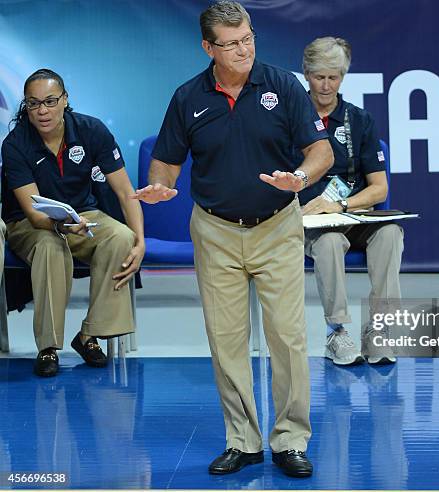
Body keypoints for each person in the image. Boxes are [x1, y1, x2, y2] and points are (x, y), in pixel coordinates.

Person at [131, 1, 333, 478]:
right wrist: (161, 185)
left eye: (248, 39)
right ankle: (242, 440)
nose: (243, 50)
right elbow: (166, 160)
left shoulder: (283, 86)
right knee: (226, 341)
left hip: (277, 226)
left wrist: (300, 178)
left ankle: (290, 441)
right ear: (208, 47)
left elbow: (320, 151)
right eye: (231, 43)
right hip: (216, 231)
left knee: (288, 337)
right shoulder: (188, 97)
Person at [1, 69, 145, 378]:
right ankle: (48, 348)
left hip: (83, 216)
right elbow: (35, 213)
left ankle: (89, 335)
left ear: (65, 100)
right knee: (52, 246)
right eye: (33, 103)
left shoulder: (92, 131)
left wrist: (140, 240)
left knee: (120, 237)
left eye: (50, 101)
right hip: (29, 225)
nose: (42, 111)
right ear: (26, 106)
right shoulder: (15, 144)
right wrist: (63, 226)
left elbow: (124, 191)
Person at [298, 37, 404, 366]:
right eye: (319, 77)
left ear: (343, 77)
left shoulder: (360, 120)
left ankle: (379, 331)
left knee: (390, 234)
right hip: (309, 222)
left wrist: (342, 206)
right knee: (329, 242)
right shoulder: (289, 117)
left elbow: (380, 189)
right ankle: (337, 332)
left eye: (334, 77)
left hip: (352, 214)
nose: (326, 85)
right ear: (306, 75)